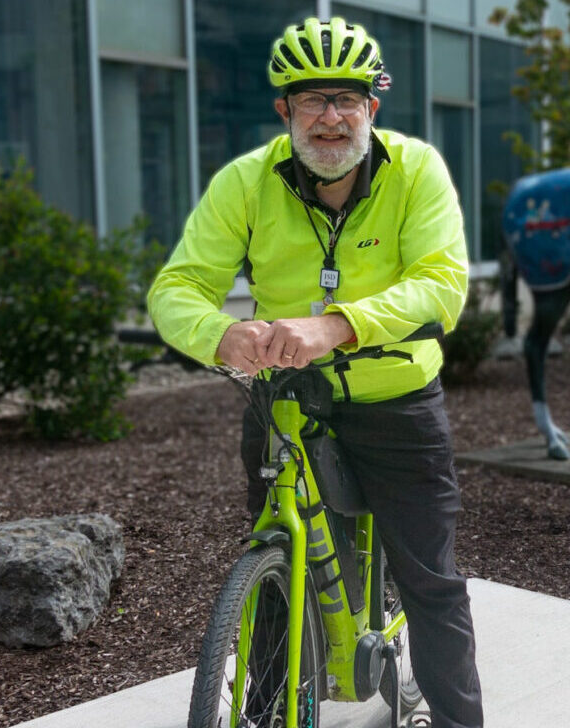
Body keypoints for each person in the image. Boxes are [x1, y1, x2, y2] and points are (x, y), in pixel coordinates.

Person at [147, 16, 483, 728]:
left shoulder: (416, 170)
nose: (331, 118)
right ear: (285, 110)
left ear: (371, 107)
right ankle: (272, 714)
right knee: (278, 574)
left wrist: (336, 325)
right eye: (311, 101)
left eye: (346, 100)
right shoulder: (246, 182)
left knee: (430, 582)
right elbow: (177, 288)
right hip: (288, 400)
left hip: (396, 399)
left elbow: (441, 284)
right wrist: (220, 334)